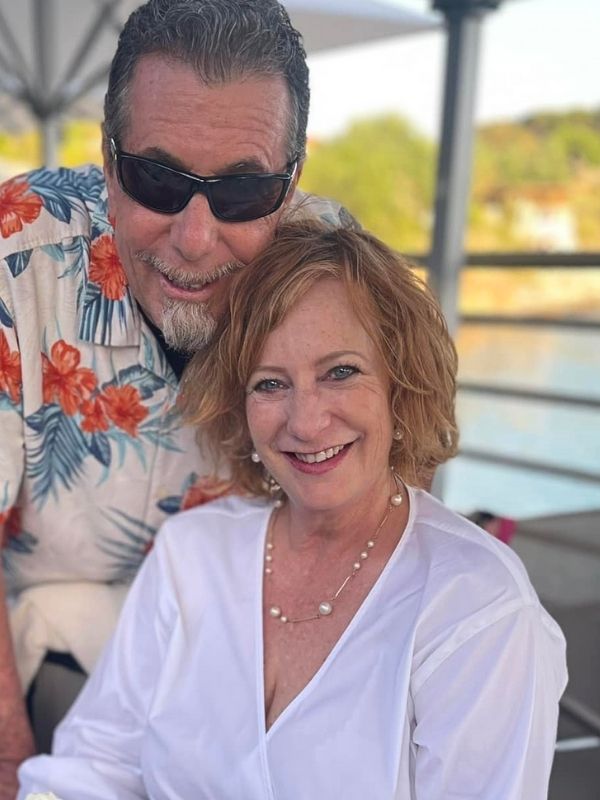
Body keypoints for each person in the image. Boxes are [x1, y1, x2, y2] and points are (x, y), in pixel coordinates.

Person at [18, 221, 567, 799]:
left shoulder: (477, 608)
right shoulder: (194, 555)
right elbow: (92, 763)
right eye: (270, 384)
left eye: (340, 372)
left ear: (400, 383)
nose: (305, 422)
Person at [0, 0, 350, 792]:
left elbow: (372, 505)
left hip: (242, 642)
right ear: (108, 158)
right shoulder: (11, 251)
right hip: (35, 629)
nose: (194, 239)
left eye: (242, 192)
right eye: (157, 179)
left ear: (291, 183)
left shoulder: (331, 278)